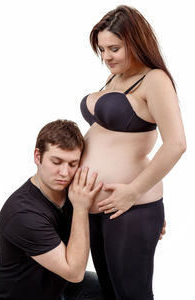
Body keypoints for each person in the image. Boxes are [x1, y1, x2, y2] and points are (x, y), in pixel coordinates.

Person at [80, 5, 186, 300]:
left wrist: (132, 191)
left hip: (130, 207)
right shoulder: (116, 78)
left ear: (136, 42)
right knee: (110, 293)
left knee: (132, 294)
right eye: (102, 50)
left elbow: (176, 144)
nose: (106, 57)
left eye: (114, 48)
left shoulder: (154, 80)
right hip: (97, 208)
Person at [0, 119, 105, 300]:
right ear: (37, 156)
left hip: (59, 286)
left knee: (116, 289)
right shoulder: (22, 214)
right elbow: (75, 272)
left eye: (72, 164)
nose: (65, 173)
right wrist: (80, 208)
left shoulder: (73, 190)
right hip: (20, 296)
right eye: (56, 162)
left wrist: (142, 222)